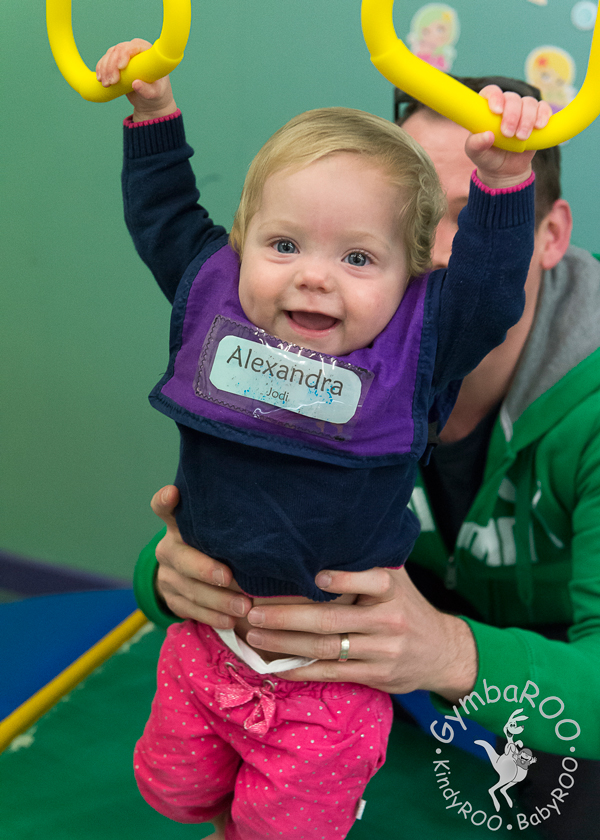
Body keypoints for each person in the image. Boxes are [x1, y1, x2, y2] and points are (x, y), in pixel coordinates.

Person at [100, 37, 549, 838]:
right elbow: (165, 215)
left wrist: (507, 180)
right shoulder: (215, 294)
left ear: (412, 278)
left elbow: (485, 285)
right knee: (169, 791)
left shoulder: (421, 341)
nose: (314, 276)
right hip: (206, 643)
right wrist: (153, 114)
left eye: (357, 257)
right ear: (242, 244)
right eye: (283, 245)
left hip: (330, 677)